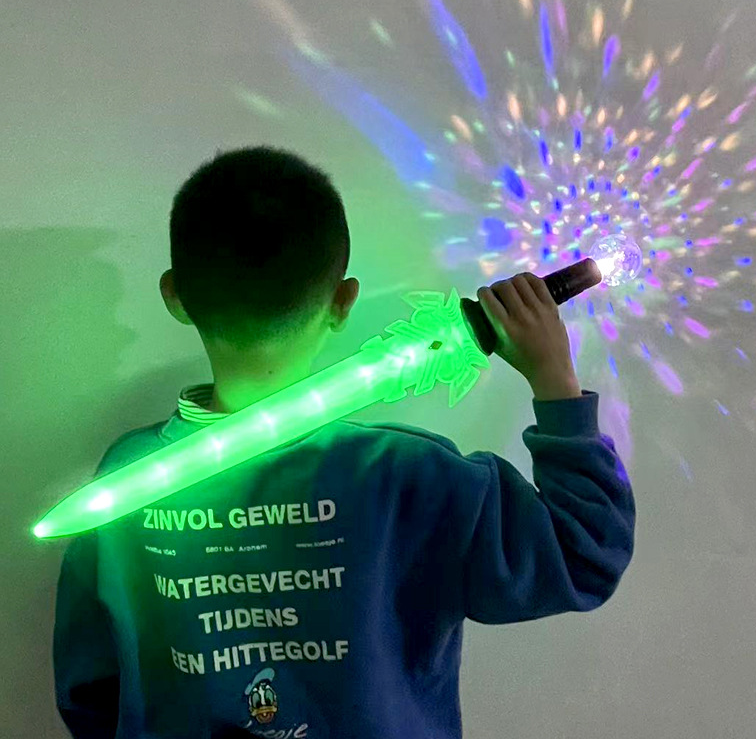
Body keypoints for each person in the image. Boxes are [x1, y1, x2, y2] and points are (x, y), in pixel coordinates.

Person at [53, 146, 636, 739]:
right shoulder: (409, 473)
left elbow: (88, 690)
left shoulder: (125, 480)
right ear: (343, 300)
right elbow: (585, 555)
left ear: (175, 295)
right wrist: (554, 380)